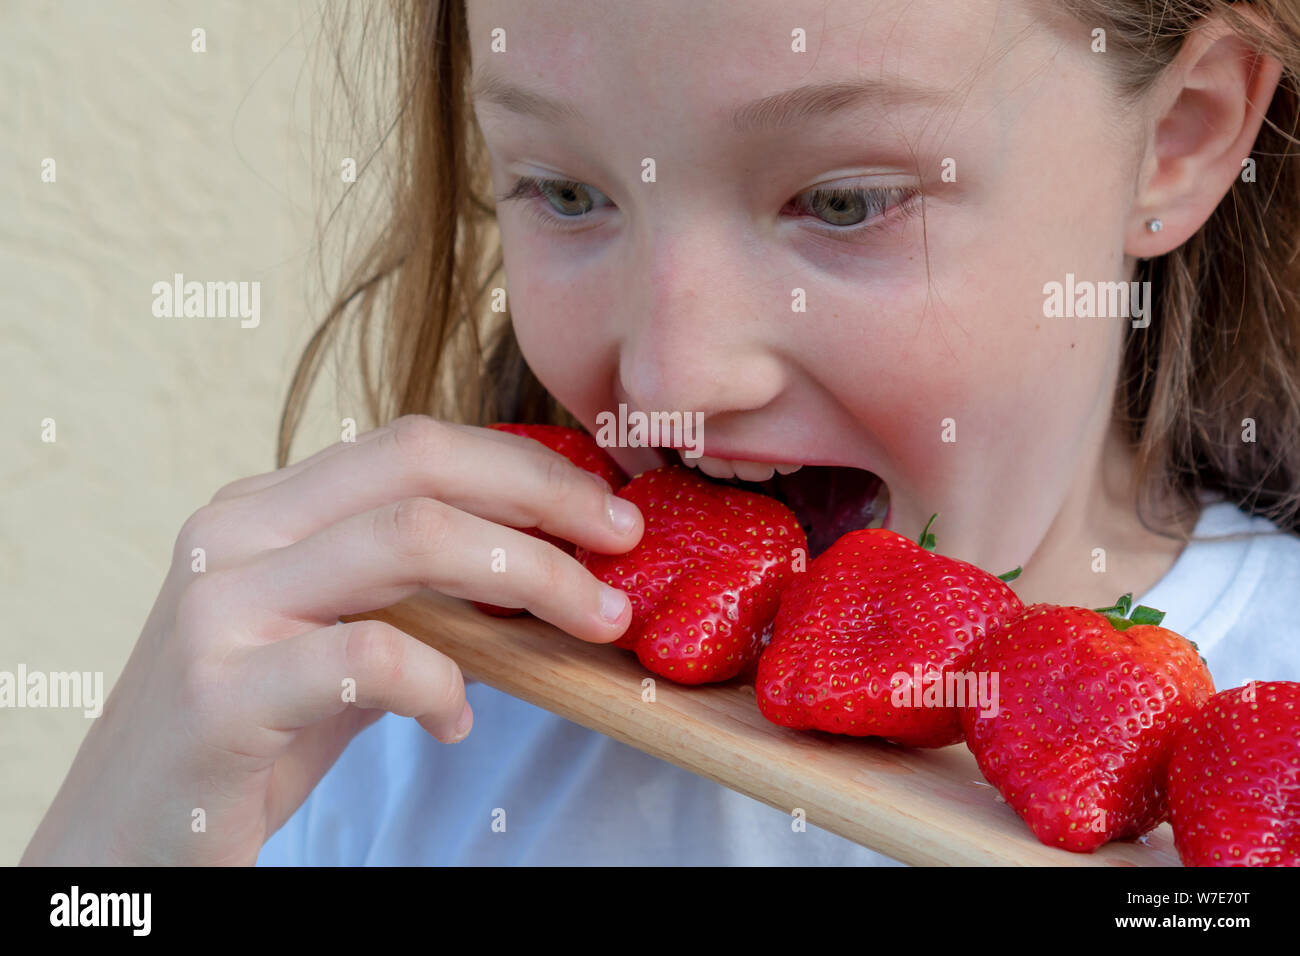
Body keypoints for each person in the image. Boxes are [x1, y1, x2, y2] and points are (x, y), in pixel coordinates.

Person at [22, 0, 1300, 866]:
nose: (668, 371)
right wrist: (110, 850)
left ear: (1179, 142)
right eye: (567, 190)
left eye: (843, 199)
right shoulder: (383, 722)